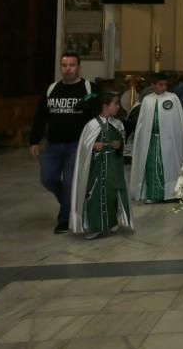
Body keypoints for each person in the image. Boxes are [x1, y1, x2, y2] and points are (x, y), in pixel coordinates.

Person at [30, 53, 93, 233]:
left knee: (69, 183)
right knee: (47, 179)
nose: (67, 68)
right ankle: (70, 201)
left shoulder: (89, 89)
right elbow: (40, 116)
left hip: (77, 144)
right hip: (53, 145)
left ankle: (64, 219)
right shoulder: (52, 89)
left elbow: (96, 115)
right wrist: (34, 140)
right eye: (64, 65)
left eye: (72, 65)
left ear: (78, 67)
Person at [69, 92, 133, 240]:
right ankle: (94, 227)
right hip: (95, 170)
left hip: (112, 167)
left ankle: (111, 222)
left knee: (111, 196)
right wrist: (92, 145)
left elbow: (124, 144)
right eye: (115, 104)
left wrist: (119, 145)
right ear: (105, 106)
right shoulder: (91, 126)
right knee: (94, 196)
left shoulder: (118, 124)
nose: (118, 106)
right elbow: (83, 149)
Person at [130, 74, 183, 203]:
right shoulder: (147, 100)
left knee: (169, 164)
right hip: (151, 140)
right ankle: (153, 195)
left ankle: (171, 193)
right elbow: (142, 123)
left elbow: (177, 122)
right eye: (160, 84)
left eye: (165, 84)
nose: (164, 87)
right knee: (151, 166)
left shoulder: (173, 98)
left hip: (169, 140)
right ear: (152, 86)